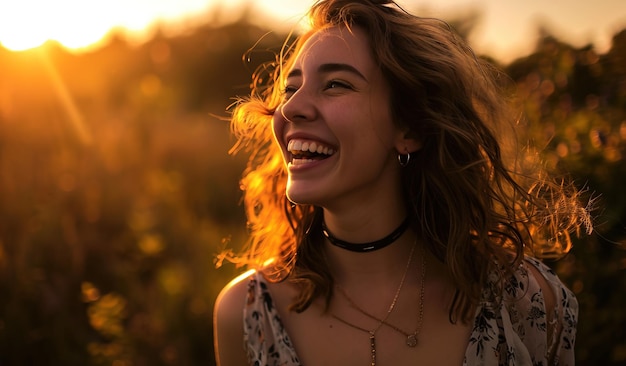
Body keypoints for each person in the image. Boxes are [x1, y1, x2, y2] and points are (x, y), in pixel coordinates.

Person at [213, 0, 592, 365]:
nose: (291, 108)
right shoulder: (248, 316)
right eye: (290, 89)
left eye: (335, 85)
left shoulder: (524, 303)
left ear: (409, 128)